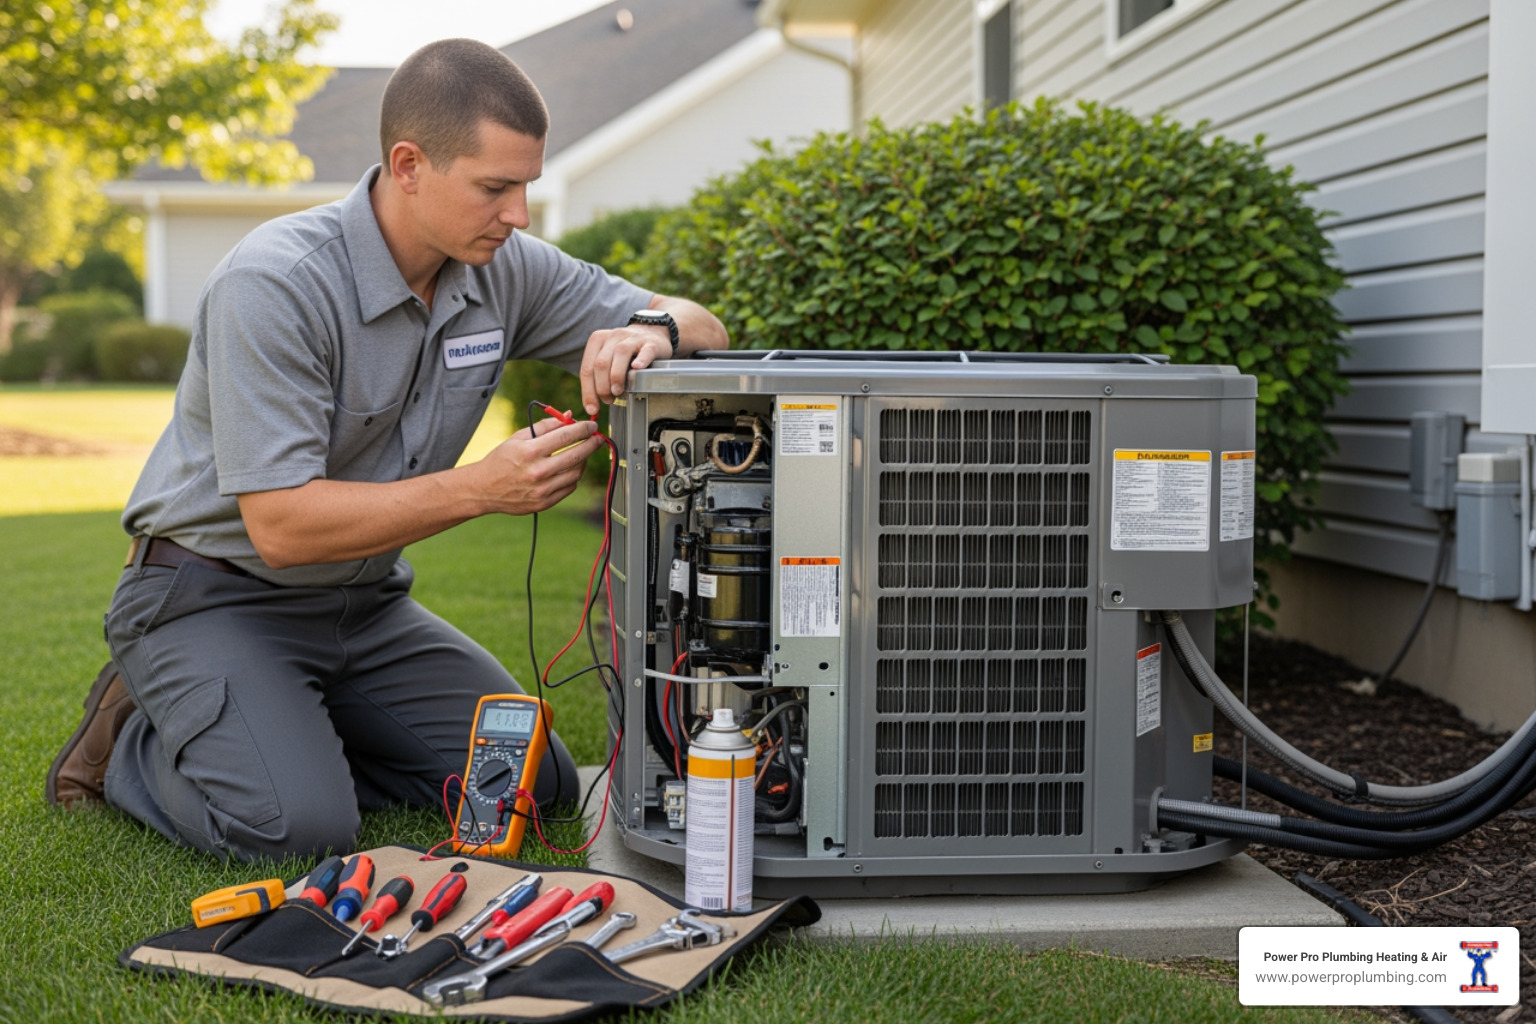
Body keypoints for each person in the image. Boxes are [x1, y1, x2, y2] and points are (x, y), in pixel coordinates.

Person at [44, 38, 728, 863]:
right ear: (408, 165)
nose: (518, 214)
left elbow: (702, 326)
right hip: (211, 595)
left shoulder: (505, 270)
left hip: (363, 607)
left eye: (526, 187)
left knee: (534, 781)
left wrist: (648, 329)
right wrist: (481, 488)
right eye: (494, 187)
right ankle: (135, 741)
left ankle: (284, 730)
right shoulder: (275, 284)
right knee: (295, 829)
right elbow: (283, 527)